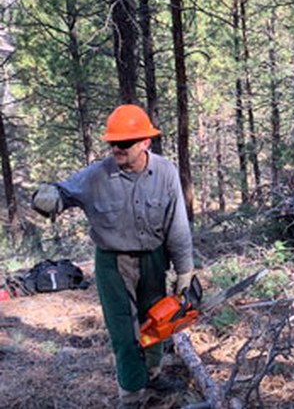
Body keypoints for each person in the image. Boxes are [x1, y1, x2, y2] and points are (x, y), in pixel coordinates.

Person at [31, 104, 194, 408]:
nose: (116, 148)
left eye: (124, 143)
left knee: (157, 320)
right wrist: (47, 197)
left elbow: (178, 226)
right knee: (124, 331)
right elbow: (62, 193)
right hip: (113, 261)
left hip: (154, 257)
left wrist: (184, 272)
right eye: (112, 143)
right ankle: (132, 395)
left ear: (145, 142)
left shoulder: (166, 172)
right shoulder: (96, 176)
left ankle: (152, 375)